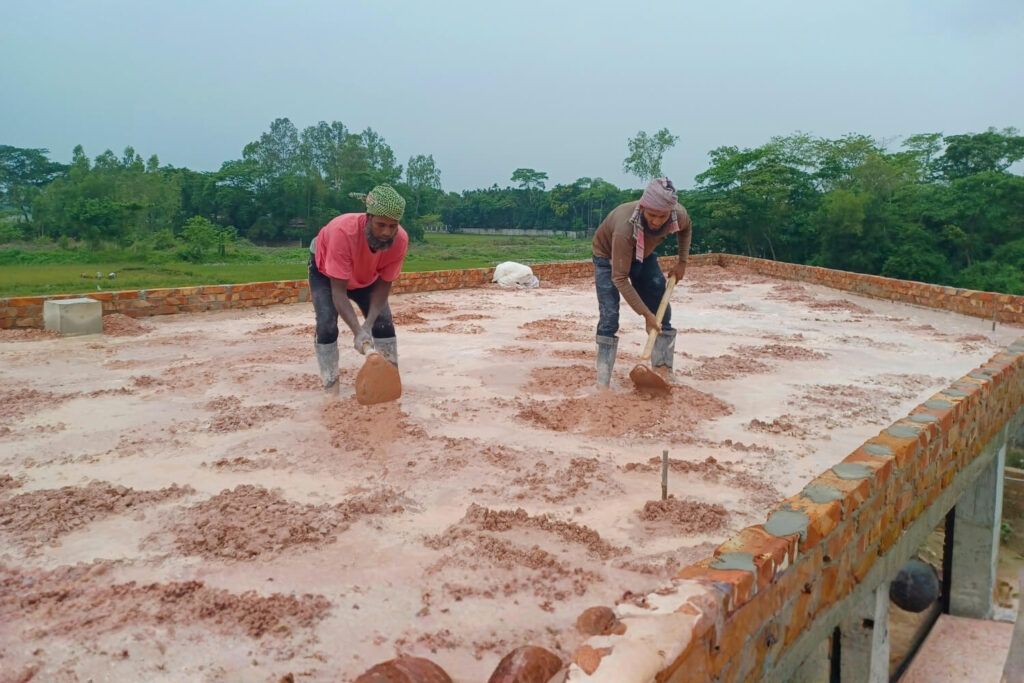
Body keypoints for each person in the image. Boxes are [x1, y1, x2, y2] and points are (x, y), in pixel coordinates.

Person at [591, 176, 692, 388]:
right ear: (643, 207)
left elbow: (686, 228)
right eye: (652, 215)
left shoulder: (678, 214)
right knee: (609, 317)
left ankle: (663, 370)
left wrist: (682, 262)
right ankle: (602, 382)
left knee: (662, 312)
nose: (656, 221)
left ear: (670, 212)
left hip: (642, 255)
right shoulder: (625, 227)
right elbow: (619, 278)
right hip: (607, 258)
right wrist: (646, 315)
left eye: (662, 216)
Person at [309, 184, 409, 389]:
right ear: (368, 217)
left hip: (366, 275)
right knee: (326, 324)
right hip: (326, 273)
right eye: (381, 224)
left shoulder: (400, 240)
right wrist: (358, 332)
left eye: (393, 226)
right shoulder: (343, 232)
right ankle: (331, 387)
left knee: (383, 323)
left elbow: (383, 286)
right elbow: (338, 292)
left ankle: (389, 382)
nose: (387, 232)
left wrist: (368, 325)